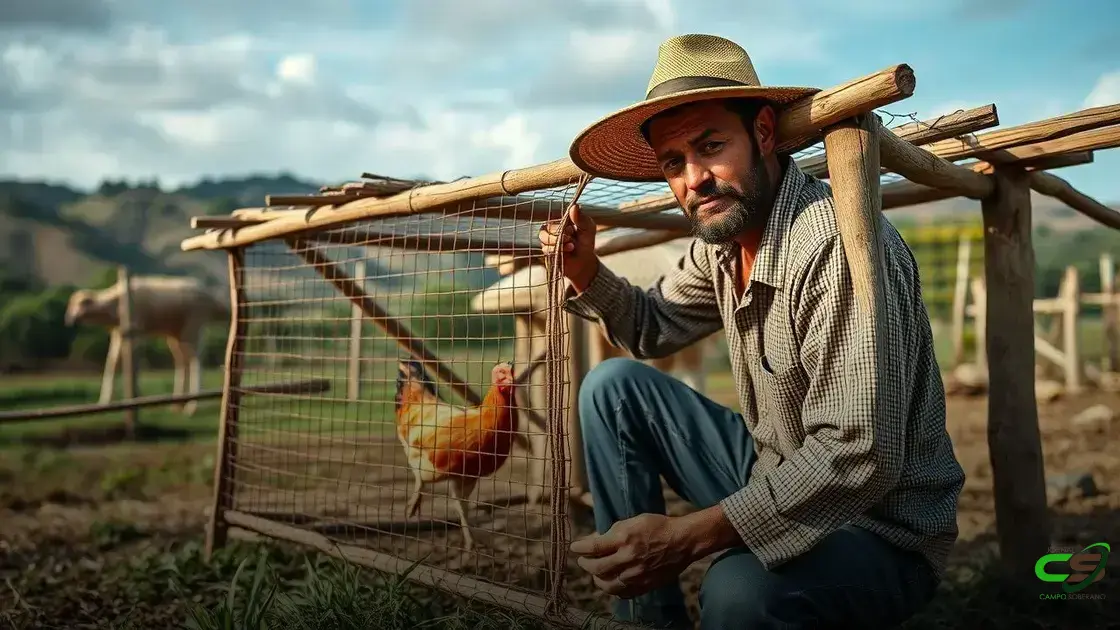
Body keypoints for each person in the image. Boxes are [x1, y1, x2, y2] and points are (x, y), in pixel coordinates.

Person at [538, 34, 966, 629]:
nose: (694, 179)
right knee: (613, 389)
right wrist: (585, 272)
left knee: (739, 592)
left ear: (763, 133)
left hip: (879, 529)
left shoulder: (832, 246)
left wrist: (687, 538)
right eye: (673, 163)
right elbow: (652, 325)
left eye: (710, 146)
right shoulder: (722, 243)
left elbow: (858, 455)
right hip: (776, 469)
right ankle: (646, 616)